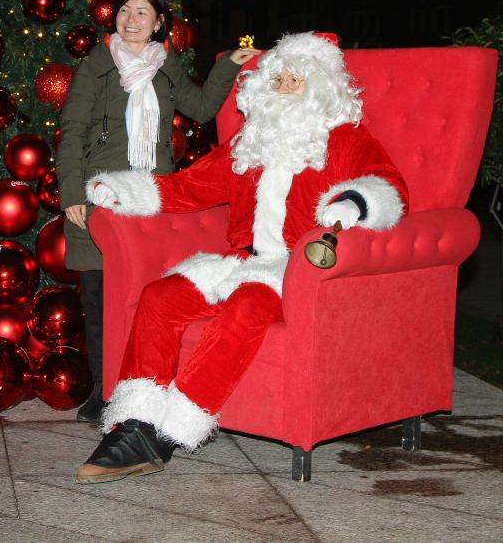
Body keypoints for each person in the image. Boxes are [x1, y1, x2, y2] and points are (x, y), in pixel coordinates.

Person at [74, 31, 409, 484]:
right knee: (161, 296)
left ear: (320, 88)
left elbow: (388, 186)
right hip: (241, 261)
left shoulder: (346, 139)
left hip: (295, 268)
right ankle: (134, 421)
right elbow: (192, 186)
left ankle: (169, 433)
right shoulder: (251, 142)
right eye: (280, 78)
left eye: (297, 79)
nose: (286, 86)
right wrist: (126, 191)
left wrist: (350, 204)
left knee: (249, 306)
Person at [57, 0, 259, 424]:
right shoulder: (96, 66)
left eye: (142, 13)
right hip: (101, 197)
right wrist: (72, 194)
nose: (131, 20)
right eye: (125, 10)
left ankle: (147, 386)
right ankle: (103, 390)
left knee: (146, 296)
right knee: (101, 298)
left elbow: (203, 108)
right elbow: (72, 130)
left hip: (152, 199)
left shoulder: (165, 66)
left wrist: (228, 64)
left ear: (160, 23)